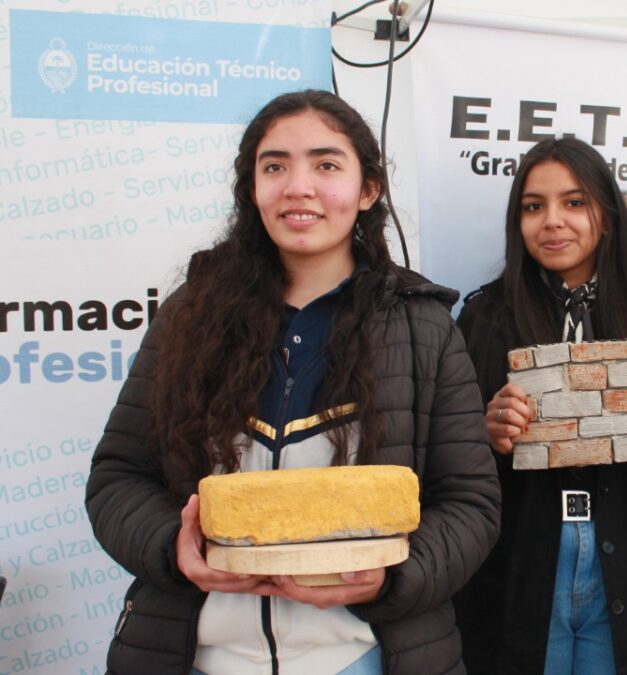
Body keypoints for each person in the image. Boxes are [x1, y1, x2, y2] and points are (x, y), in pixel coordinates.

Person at [85, 90, 500, 675]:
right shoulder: (189, 315)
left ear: (368, 190)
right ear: (251, 187)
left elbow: (470, 502)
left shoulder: (422, 326)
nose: (298, 186)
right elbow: (117, 477)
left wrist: (393, 578)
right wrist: (171, 549)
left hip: (365, 658)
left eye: (327, 165)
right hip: (200, 657)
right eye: (274, 165)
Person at [451, 137, 627, 675]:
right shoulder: (484, 316)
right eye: (534, 206)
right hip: (523, 561)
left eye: (574, 202)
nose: (553, 221)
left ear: (605, 214)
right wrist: (488, 433)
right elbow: (455, 464)